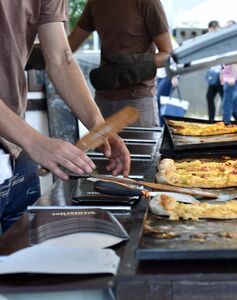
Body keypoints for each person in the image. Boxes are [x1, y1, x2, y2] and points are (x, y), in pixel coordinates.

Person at [0, 0, 130, 233]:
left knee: (27, 263)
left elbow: (61, 58)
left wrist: (98, 126)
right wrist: (34, 141)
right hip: (22, 141)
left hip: (15, 152)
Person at [68, 0, 173, 128]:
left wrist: (127, 67)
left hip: (137, 103)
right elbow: (67, 48)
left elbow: (167, 55)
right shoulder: (95, 2)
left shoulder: (148, 2)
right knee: (105, 149)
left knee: (140, 148)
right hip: (102, 101)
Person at [221, 20, 237, 124]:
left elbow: (235, 60)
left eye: (229, 26)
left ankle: (225, 125)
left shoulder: (235, 40)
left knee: (227, 104)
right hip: (229, 77)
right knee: (234, 104)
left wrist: (232, 77)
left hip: (233, 78)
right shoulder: (229, 40)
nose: (227, 28)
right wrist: (222, 74)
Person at [156, 36, 179, 125]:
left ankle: (162, 125)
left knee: (160, 99)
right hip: (160, 75)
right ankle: (161, 125)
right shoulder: (155, 43)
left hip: (169, 76)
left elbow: (176, 62)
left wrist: (174, 77)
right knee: (159, 101)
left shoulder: (172, 43)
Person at [205, 21, 223, 121]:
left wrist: (223, 72)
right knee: (209, 97)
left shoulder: (220, 37)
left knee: (226, 100)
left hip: (221, 74)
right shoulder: (211, 38)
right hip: (214, 74)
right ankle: (211, 121)